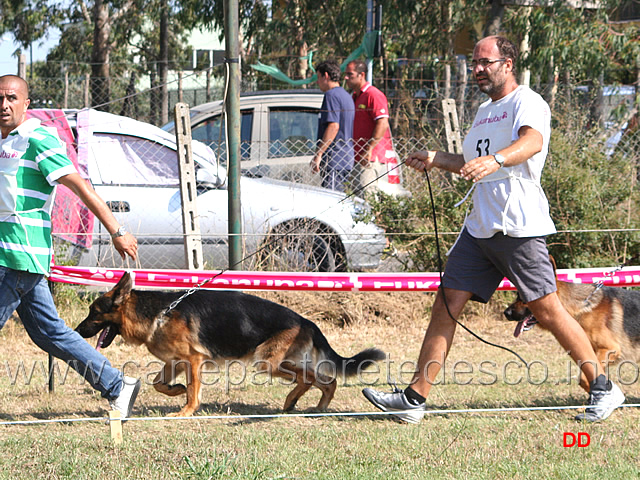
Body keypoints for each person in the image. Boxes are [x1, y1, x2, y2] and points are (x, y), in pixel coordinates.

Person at [362, 36, 625, 424]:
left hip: (517, 225)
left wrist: (496, 160)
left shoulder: (528, 102)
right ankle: (414, 400)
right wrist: (436, 159)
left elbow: (531, 142)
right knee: (446, 304)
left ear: (508, 63)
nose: (478, 69)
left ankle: (604, 388)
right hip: (479, 228)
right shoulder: (485, 110)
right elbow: (472, 162)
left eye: (485, 62)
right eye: (474, 63)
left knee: (547, 308)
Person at [0, 74, 141, 418]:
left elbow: (79, 186)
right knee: (50, 333)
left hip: (19, 253)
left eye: (11, 98)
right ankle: (117, 385)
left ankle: (117, 385)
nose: (4, 105)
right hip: (11, 254)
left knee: (50, 333)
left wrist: (116, 229)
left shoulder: (38, 138)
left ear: (26, 103)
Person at [344, 59, 398, 194]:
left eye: (350, 75)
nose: (346, 78)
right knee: (358, 198)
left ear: (361, 75)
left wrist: (369, 149)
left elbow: (383, 122)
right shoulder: (355, 96)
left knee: (367, 197)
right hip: (357, 158)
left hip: (371, 158)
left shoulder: (373, 95)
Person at [310, 60, 355, 192]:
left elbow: (333, 126)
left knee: (332, 199)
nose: (317, 82)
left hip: (334, 158)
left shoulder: (331, 95)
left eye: (319, 77)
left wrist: (319, 154)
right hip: (346, 157)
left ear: (326, 76)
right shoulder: (346, 96)